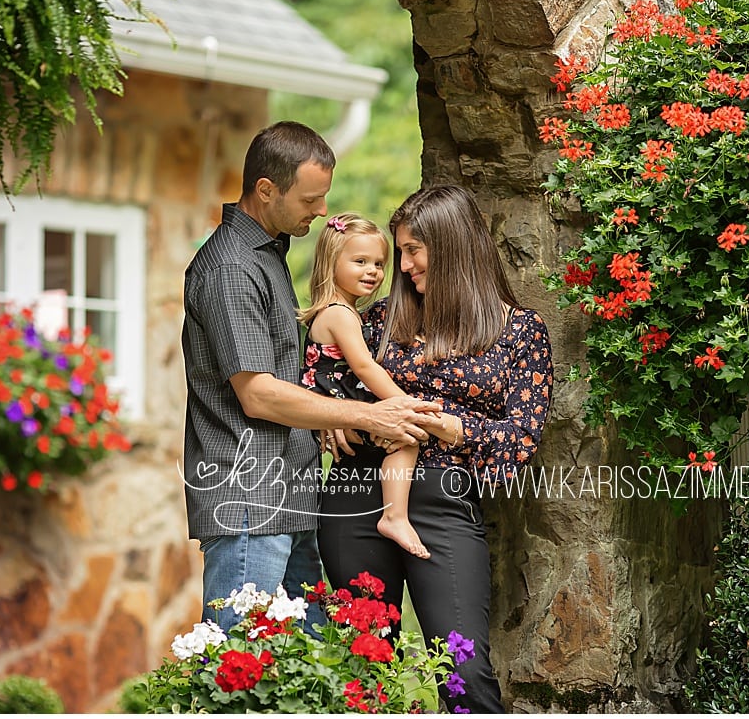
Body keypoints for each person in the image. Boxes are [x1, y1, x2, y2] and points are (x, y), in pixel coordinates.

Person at [181, 121, 439, 629]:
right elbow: (256, 394)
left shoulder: (269, 256)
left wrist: (325, 414)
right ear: (266, 190)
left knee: (306, 670)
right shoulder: (231, 269)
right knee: (242, 671)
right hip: (249, 499)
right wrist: (368, 414)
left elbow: (292, 373)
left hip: (291, 497)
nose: (322, 211)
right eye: (310, 199)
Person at [318, 185, 551, 714]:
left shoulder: (519, 332)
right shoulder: (378, 322)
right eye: (398, 252)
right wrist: (330, 417)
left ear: (452, 248)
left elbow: (518, 446)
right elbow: (327, 371)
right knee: (363, 670)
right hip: (356, 496)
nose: (402, 267)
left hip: (444, 504)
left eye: (413, 250)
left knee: (462, 671)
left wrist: (445, 424)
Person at [297, 213, 430, 560]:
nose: (373, 271)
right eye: (360, 262)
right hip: (347, 403)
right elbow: (363, 366)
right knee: (405, 436)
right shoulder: (339, 313)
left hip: (343, 403)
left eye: (379, 264)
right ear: (331, 262)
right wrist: (405, 404)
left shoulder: (346, 311)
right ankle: (395, 516)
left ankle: (392, 513)